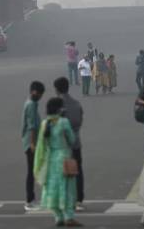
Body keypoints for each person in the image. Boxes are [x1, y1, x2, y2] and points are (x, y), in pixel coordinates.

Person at [33, 97, 81, 227]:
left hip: (50, 160)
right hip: (64, 157)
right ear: (60, 109)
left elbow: (42, 144)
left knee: (52, 189)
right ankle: (69, 217)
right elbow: (72, 140)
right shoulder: (64, 122)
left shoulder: (44, 123)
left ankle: (58, 217)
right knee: (67, 188)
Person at [54, 77, 86, 211]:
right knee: (77, 171)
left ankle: (65, 200)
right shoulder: (76, 103)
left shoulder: (57, 105)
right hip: (76, 142)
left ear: (56, 89)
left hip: (62, 145)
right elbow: (80, 121)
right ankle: (79, 199)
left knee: (63, 173)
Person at [21, 81, 45, 211]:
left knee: (33, 171)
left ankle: (32, 198)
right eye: (40, 94)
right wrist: (32, 143)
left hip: (33, 141)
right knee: (31, 171)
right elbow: (31, 126)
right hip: (31, 143)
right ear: (34, 92)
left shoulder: (33, 103)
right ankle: (29, 200)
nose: (41, 97)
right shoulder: (31, 105)